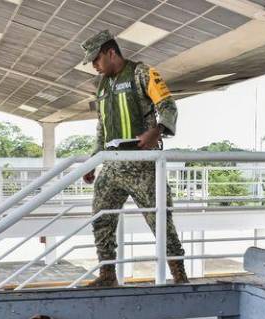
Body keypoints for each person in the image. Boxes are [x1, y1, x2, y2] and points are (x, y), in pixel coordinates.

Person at [80, 29, 188, 287]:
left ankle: (180, 276)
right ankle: (107, 274)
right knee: (101, 217)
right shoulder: (102, 85)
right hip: (113, 166)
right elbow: (102, 127)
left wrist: (157, 131)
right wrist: (93, 160)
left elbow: (168, 106)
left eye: (96, 59)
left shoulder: (143, 73)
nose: (94, 65)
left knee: (160, 221)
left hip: (143, 166)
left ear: (111, 52)